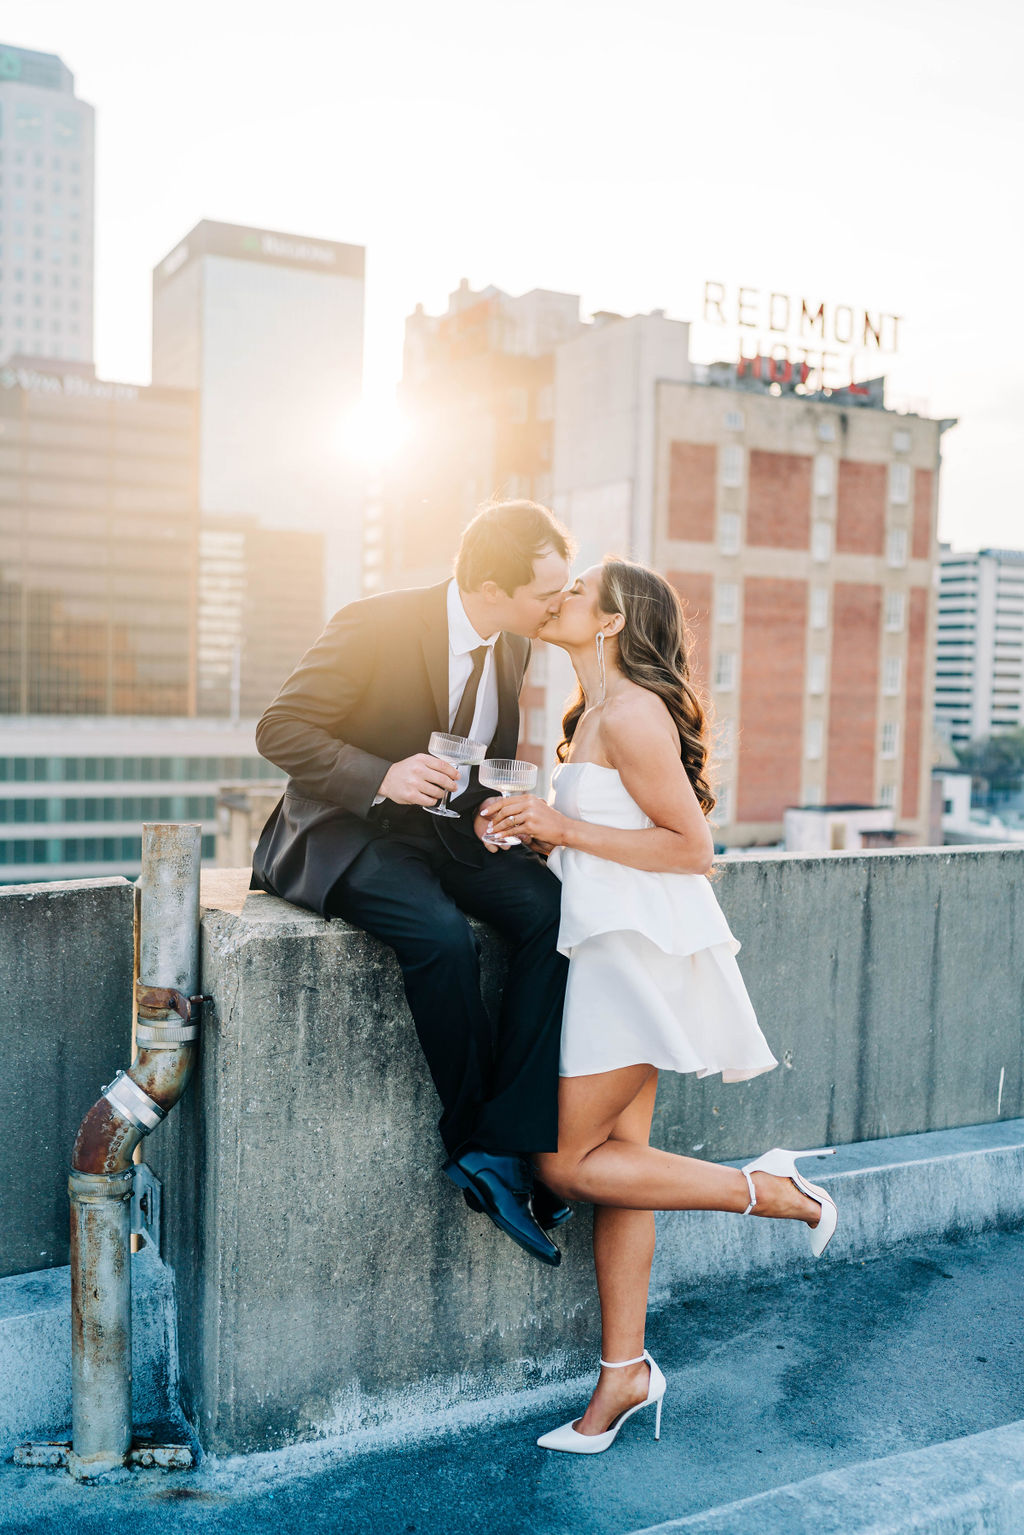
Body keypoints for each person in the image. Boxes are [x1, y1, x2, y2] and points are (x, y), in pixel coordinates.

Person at [482, 558, 839, 1454]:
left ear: (609, 622)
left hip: (634, 954)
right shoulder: (593, 714)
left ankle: (769, 1189)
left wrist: (558, 826)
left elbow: (692, 846)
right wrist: (533, 834)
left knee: (564, 1164)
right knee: (620, 1167)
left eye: (572, 594)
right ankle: (623, 1378)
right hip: (606, 944)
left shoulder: (634, 711)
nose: (555, 600)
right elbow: (607, 840)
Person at [251, 500, 576, 1267]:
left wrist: (494, 817)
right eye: (547, 595)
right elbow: (279, 728)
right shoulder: (376, 622)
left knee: (551, 910)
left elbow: (474, 767)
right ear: (489, 586)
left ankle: (516, 1134)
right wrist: (381, 775)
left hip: (441, 834)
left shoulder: (512, 647)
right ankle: (481, 1153)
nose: (559, 607)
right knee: (436, 933)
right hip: (344, 830)